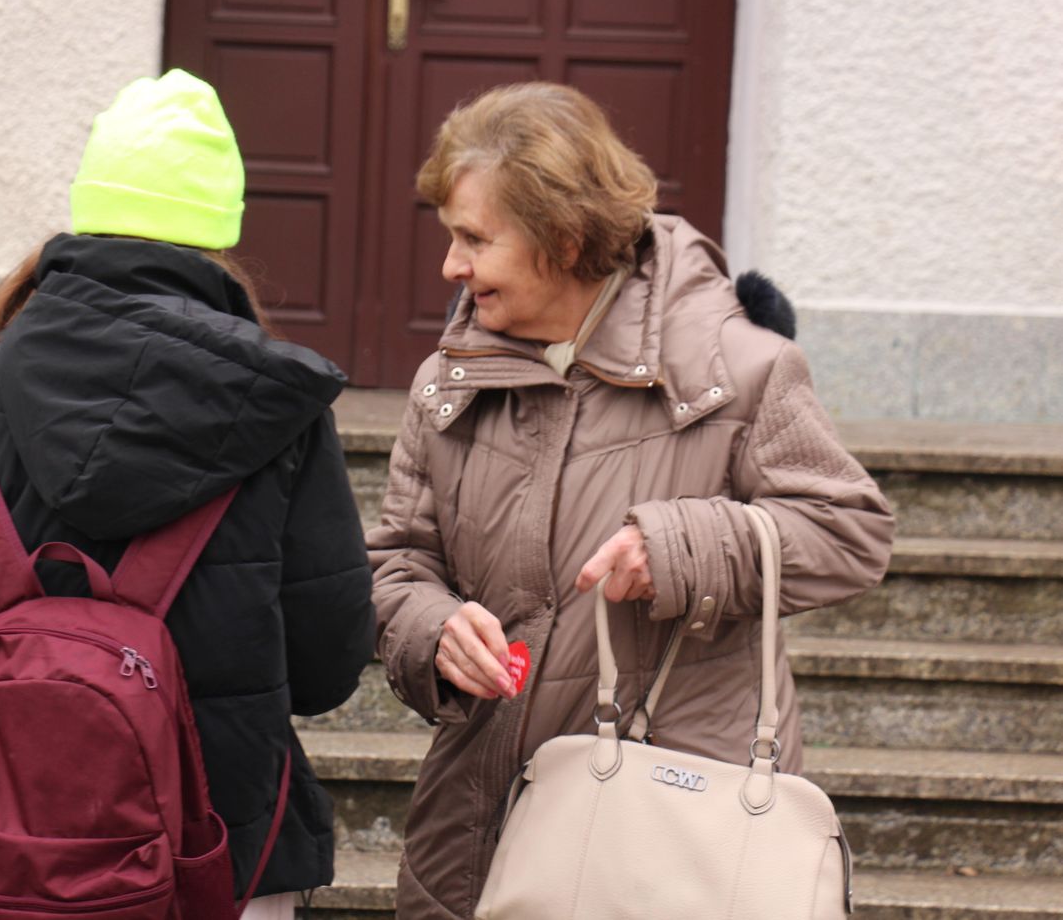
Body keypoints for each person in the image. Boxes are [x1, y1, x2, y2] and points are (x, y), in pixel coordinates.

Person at [367, 81, 895, 918]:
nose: (451, 267)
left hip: (673, 842)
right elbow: (398, 560)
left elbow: (850, 532)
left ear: (563, 238)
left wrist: (681, 547)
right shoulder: (447, 382)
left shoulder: (738, 367)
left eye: (475, 238)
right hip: (477, 833)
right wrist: (431, 630)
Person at [0, 69, 375, 919]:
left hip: (12, 851)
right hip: (221, 849)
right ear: (216, 234)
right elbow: (327, 661)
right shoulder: (278, 411)